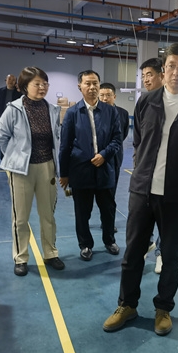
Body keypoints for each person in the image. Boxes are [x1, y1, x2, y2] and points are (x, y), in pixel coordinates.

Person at [103, 43, 178, 336]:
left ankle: (163, 308)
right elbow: (139, 140)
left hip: (176, 195)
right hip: (142, 190)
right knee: (133, 253)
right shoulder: (147, 102)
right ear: (163, 70)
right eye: (171, 66)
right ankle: (127, 305)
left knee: (171, 255)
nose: (176, 72)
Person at [0, 67, 64, 276]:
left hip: (47, 167)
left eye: (45, 83)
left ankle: (50, 253)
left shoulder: (52, 109)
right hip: (21, 170)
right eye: (37, 84)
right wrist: (14, 156)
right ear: (25, 86)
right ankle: (21, 257)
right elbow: (1, 135)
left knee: (48, 215)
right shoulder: (14, 109)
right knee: (21, 217)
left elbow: (56, 137)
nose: (42, 87)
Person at [59, 71, 123, 262]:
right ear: (80, 86)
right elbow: (65, 145)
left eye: (95, 83)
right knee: (82, 212)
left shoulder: (110, 112)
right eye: (88, 83)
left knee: (108, 209)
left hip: (105, 169)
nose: (92, 87)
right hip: (81, 171)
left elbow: (117, 139)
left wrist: (104, 154)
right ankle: (85, 244)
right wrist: (64, 173)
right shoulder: (72, 113)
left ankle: (109, 240)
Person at [139, 57, 165, 274]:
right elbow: (137, 140)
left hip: (169, 177)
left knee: (166, 222)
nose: (146, 80)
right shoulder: (144, 101)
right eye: (143, 76)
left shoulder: (175, 103)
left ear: (161, 75)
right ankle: (146, 244)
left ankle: (161, 254)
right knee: (143, 216)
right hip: (146, 176)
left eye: (150, 75)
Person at [99, 82, 130, 233]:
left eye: (108, 95)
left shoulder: (123, 113)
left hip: (114, 157)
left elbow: (123, 134)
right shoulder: (94, 112)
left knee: (111, 192)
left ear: (114, 96)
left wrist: (110, 150)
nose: (105, 98)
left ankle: (108, 223)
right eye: (102, 95)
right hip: (96, 157)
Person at [0, 74, 22, 160]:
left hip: (15, 119)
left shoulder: (19, 92)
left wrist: (20, 90)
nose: (11, 81)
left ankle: (13, 158)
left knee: (14, 139)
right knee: (2, 138)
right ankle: (3, 159)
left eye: (13, 80)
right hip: (2, 119)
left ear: (16, 82)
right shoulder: (0, 91)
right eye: (9, 79)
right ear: (5, 80)